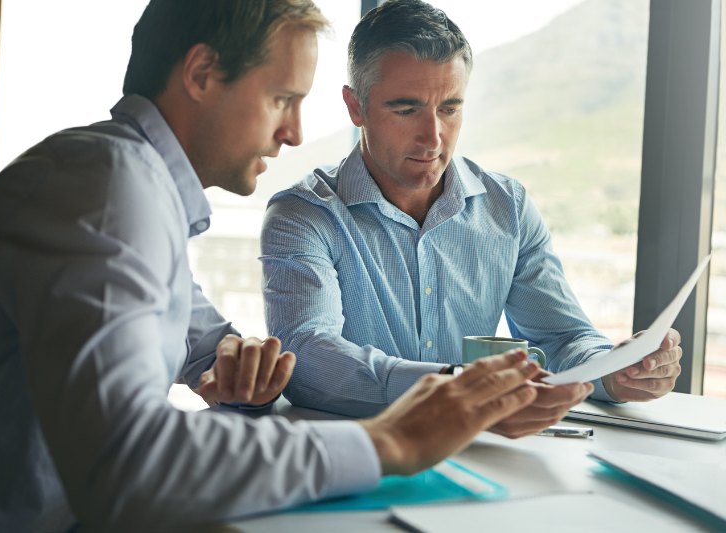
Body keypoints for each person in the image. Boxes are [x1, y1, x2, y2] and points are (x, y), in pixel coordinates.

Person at [0, 1, 546, 531]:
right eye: (282, 99)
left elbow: (208, 345)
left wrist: (243, 364)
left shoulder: (130, 185)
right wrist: (388, 440)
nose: (295, 133)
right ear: (201, 74)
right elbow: (127, 463)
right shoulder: (109, 190)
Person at [261, 0, 683, 429]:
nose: (433, 137)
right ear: (356, 107)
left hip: (486, 451)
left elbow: (561, 338)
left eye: (449, 108)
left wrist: (613, 370)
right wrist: (456, 389)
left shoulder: (508, 207)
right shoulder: (303, 215)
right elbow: (307, 356)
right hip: (357, 455)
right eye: (406, 110)